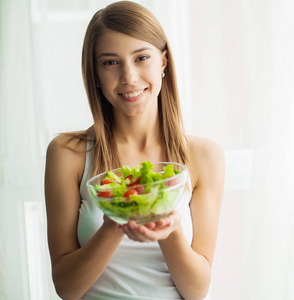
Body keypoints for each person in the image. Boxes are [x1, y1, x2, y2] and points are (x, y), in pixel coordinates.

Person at [44, 1, 225, 299]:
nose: (129, 76)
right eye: (110, 62)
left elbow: (196, 290)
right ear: (96, 75)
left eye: (141, 57)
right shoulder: (67, 154)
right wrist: (115, 223)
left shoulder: (205, 156)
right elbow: (66, 288)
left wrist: (168, 229)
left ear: (163, 62)